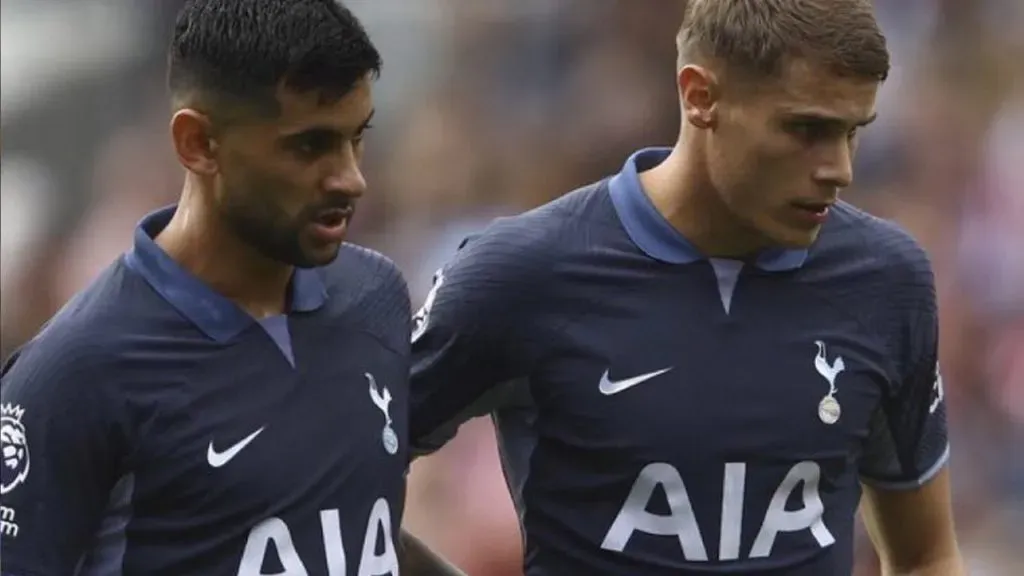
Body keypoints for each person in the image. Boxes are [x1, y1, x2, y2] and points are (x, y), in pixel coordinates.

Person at [408, 0, 965, 574]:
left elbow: (926, 554)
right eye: (806, 130)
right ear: (700, 96)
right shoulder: (523, 275)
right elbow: (339, 474)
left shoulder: (886, 281)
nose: (839, 169)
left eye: (852, 132)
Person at [0, 1, 460, 574]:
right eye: (310, 146)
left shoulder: (376, 295)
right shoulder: (77, 372)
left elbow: (351, 526)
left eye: (355, 138)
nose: (351, 178)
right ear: (198, 143)